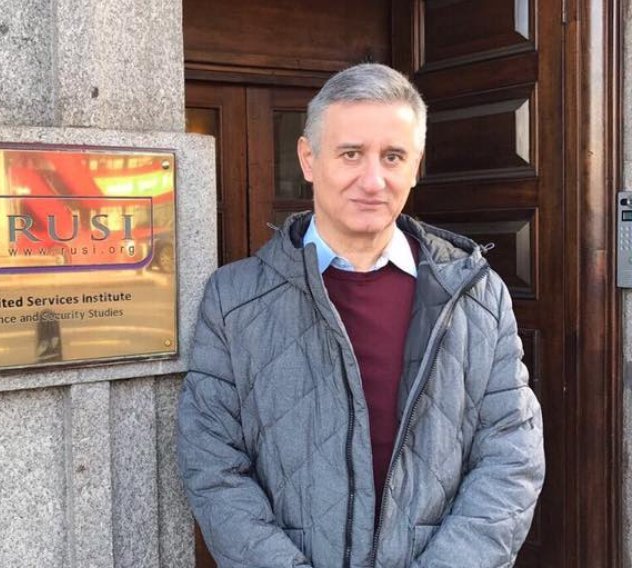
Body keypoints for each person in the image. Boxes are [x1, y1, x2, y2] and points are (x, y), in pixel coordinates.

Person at [177, 63, 544, 568]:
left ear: (415, 166)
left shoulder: (478, 295)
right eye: (351, 153)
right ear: (308, 159)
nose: (373, 180)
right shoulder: (234, 299)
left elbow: (511, 455)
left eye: (393, 156)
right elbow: (214, 465)